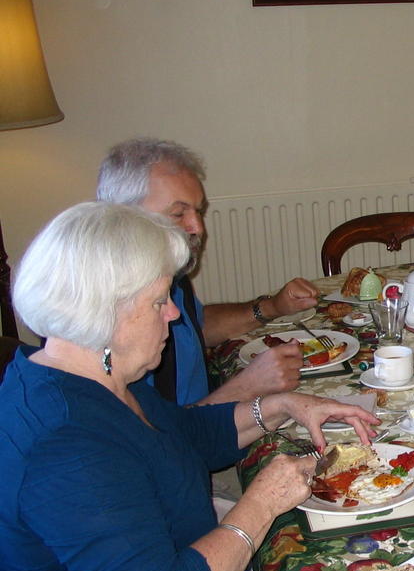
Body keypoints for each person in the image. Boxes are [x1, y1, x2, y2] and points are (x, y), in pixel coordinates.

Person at [0, 203, 379, 571]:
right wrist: (260, 504)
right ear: (105, 312)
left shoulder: (92, 379)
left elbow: (187, 438)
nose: (175, 314)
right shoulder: (68, 445)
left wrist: (284, 405)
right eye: (159, 301)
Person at [97, 137, 319, 406]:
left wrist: (272, 307)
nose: (197, 227)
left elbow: (194, 328)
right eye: (179, 214)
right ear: (125, 218)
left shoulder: (167, 276)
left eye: (198, 211)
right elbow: (154, 440)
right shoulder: (109, 320)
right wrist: (244, 388)